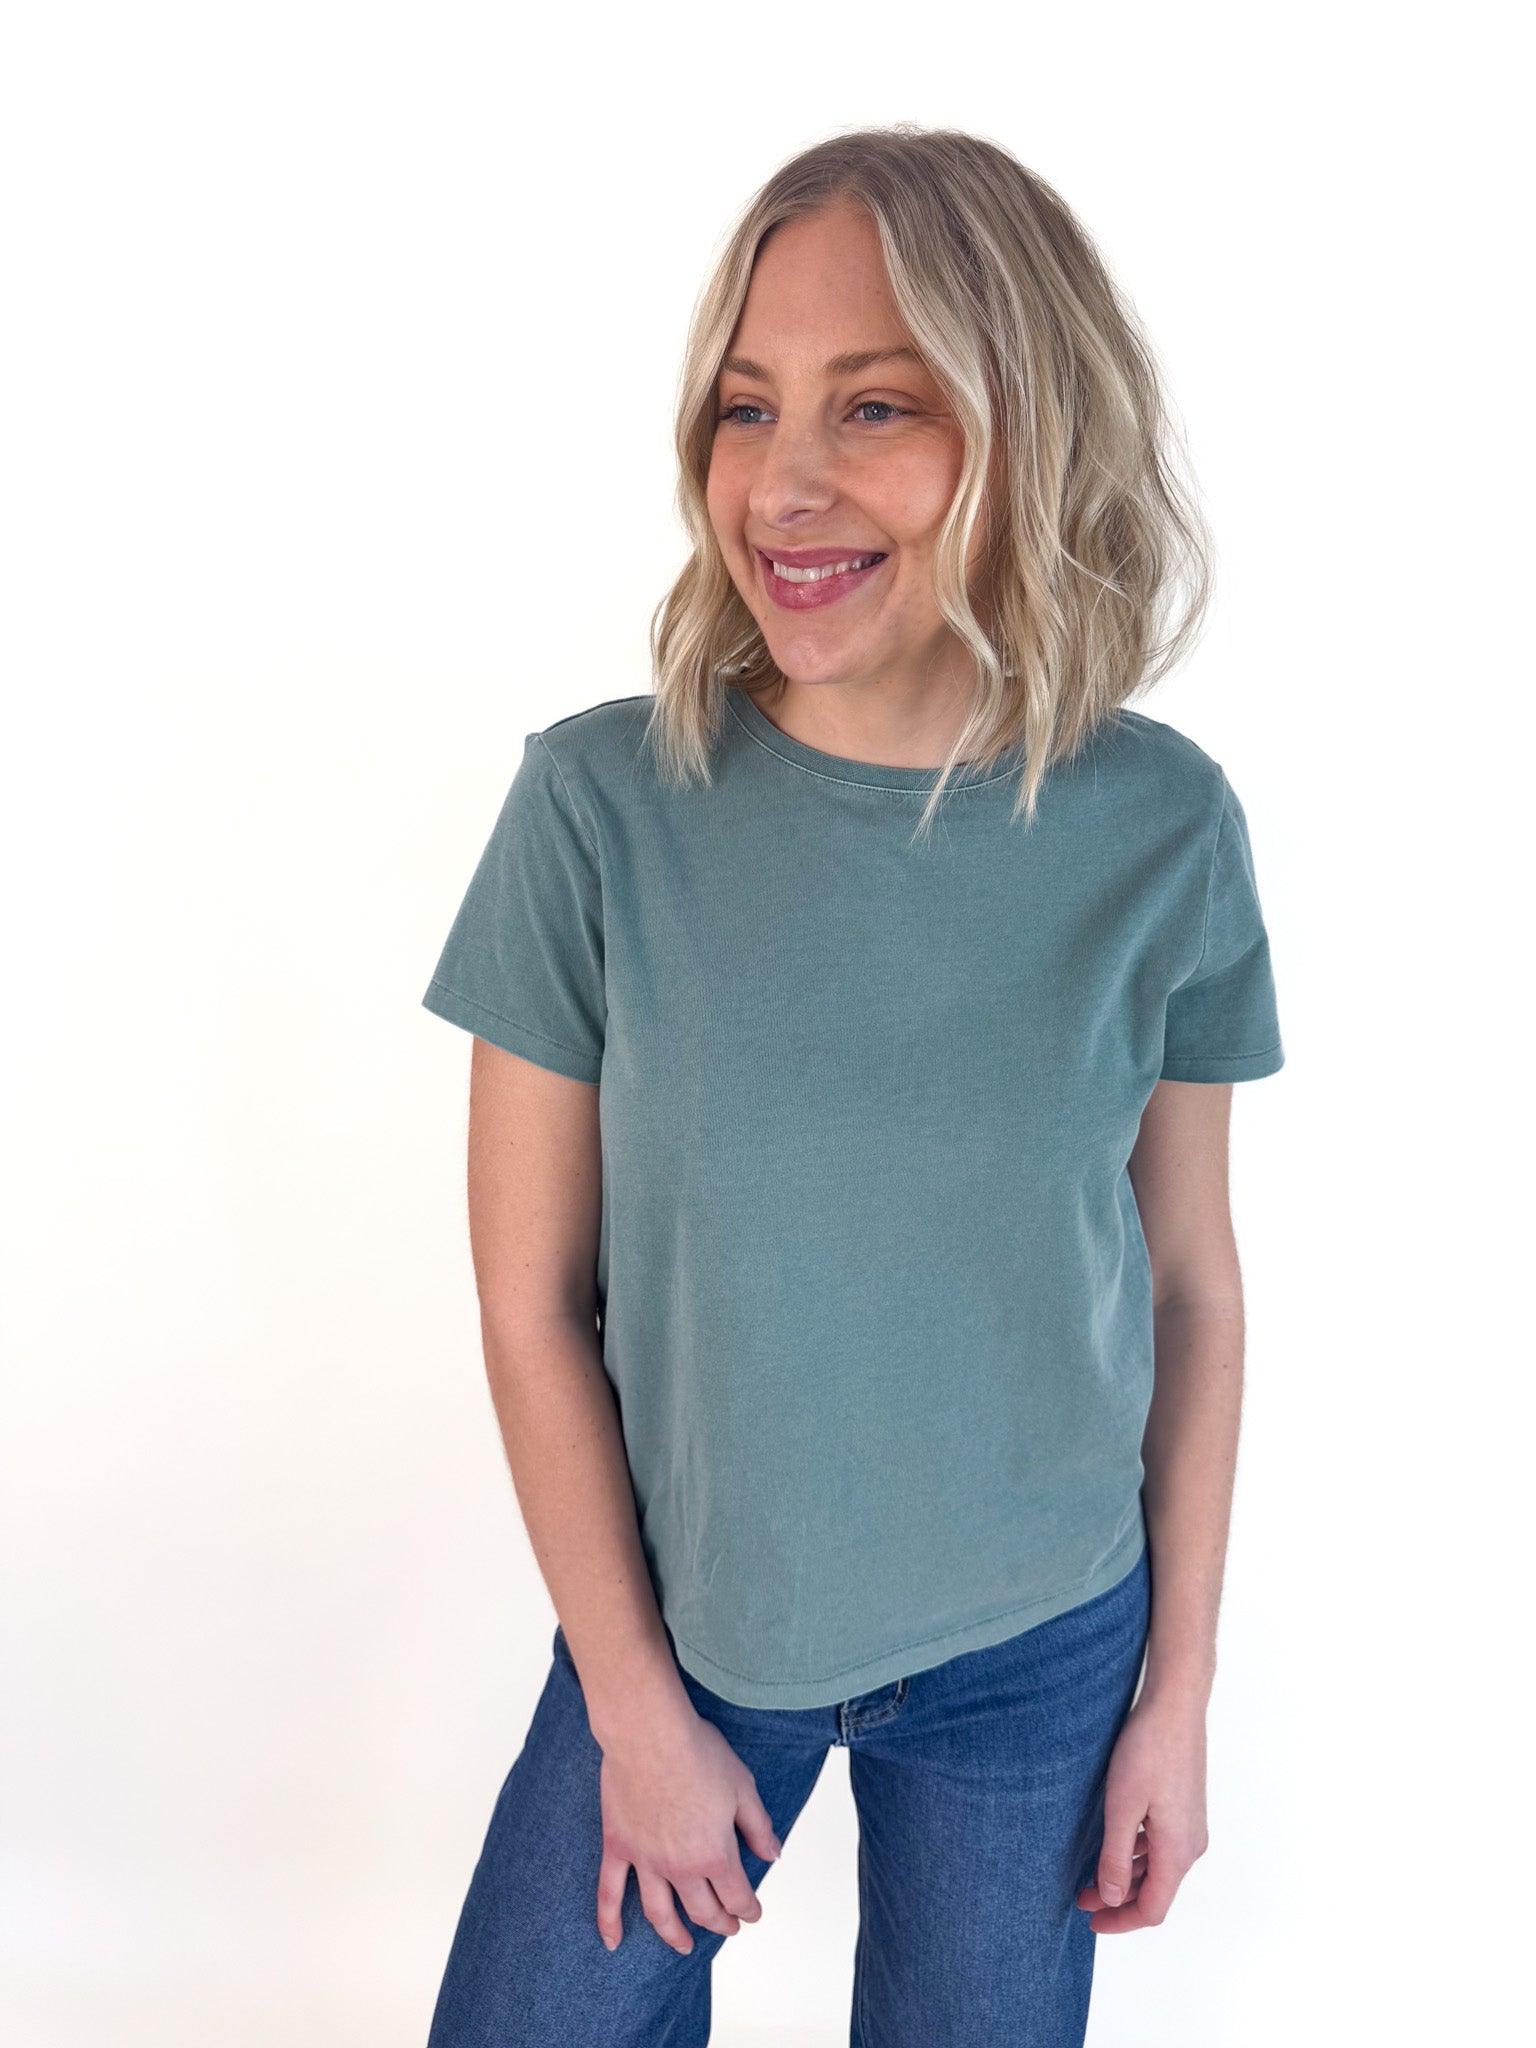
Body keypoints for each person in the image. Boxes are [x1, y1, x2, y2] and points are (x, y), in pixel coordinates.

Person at [418, 123, 1285, 2048]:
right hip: (689, 1632)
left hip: (1041, 1653)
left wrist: (1178, 1693)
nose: (784, 481)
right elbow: (528, 1301)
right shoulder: (597, 810)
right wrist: (634, 1710)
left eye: (875, 405)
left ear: (1031, 429)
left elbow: (1190, 1286)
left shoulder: (1163, 829)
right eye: (749, 408)